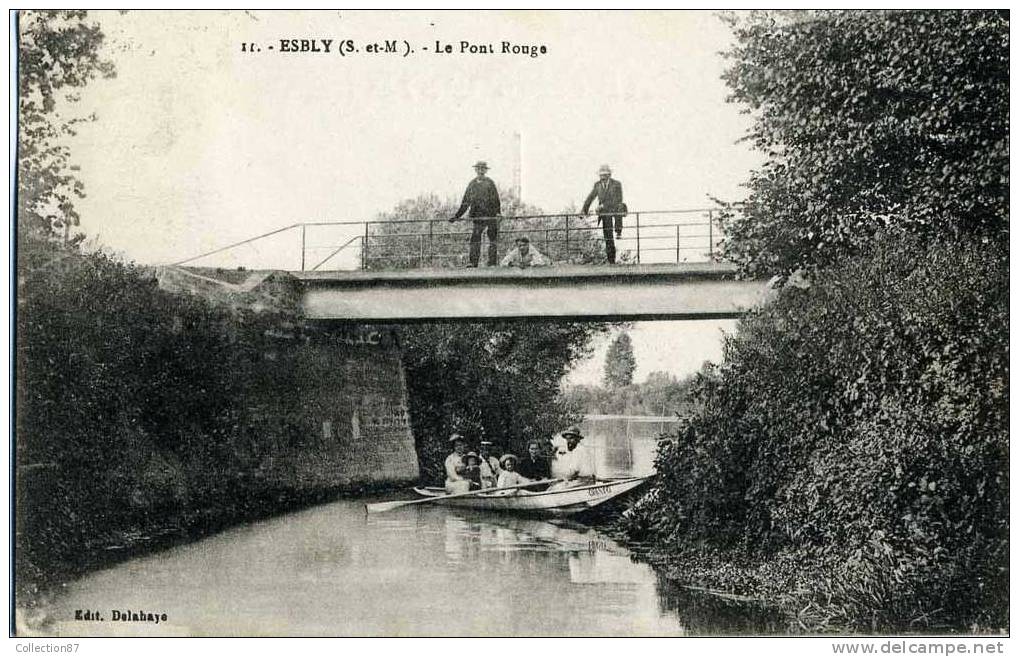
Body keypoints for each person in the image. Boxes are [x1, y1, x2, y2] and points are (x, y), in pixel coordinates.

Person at [449, 160, 501, 267]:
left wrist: (498, 213)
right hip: (478, 216)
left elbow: (496, 199)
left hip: (490, 216)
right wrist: (457, 216)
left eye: (483, 169)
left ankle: (492, 263)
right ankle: (473, 262)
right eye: (479, 169)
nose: (481, 171)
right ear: (476, 170)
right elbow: (465, 201)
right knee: (475, 238)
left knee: (492, 238)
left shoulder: (490, 183)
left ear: (485, 171)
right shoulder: (472, 184)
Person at [581, 165, 626, 264]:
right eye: (601, 176)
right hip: (605, 214)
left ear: (609, 175)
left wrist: (603, 205)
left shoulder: (616, 184)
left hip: (614, 210)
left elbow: (618, 199)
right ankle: (611, 260)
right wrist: (584, 210)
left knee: (620, 208)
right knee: (608, 237)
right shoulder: (597, 185)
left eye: (605, 175)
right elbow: (590, 197)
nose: (603, 178)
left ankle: (618, 230)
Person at [549, 425, 595, 490]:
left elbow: (574, 472)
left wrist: (564, 478)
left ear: (577, 439)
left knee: (553, 488)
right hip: (587, 480)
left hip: (585, 481)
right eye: (567, 439)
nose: (568, 441)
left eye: (571, 438)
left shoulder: (578, 450)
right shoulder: (581, 448)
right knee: (555, 486)